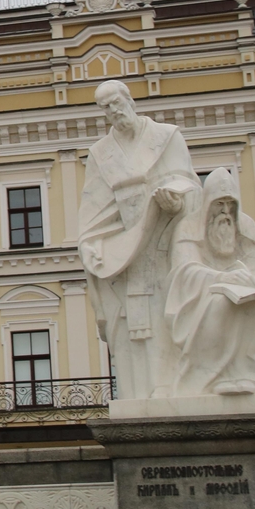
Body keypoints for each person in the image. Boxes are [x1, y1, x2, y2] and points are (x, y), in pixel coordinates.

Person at [78, 80, 200, 399]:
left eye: (117, 102)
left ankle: (173, 388)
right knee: (131, 324)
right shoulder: (101, 154)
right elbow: (93, 208)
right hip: (125, 252)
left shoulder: (166, 137)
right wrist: (93, 245)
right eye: (106, 107)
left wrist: (177, 201)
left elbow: (189, 183)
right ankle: (138, 393)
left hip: (166, 243)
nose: (114, 111)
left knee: (167, 315)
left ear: (130, 100)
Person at [165, 168, 255, 396]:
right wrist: (220, 278)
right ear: (208, 202)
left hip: (244, 293)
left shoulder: (246, 227)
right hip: (200, 299)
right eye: (220, 204)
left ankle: (247, 374)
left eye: (231, 204)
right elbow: (184, 271)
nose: (226, 211)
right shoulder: (189, 227)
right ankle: (217, 375)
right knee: (222, 303)